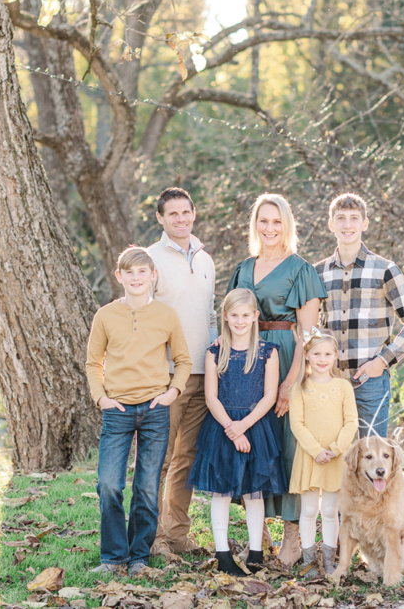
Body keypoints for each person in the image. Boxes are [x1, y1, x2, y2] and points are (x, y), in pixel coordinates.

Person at [227, 193, 327, 566]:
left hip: (286, 356)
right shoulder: (243, 268)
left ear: (287, 225)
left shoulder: (301, 269)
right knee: (250, 440)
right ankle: (258, 528)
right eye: (263, 221)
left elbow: (310, 333)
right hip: (249, 358)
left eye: (277, 222)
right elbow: (231, 317)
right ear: (255, 225)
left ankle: (291, 532)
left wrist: (290, 382)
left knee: (287, 446)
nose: (270, 229)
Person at [85, 247, 193, 577]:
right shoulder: (105, 315)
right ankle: (113, 556)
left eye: (142, 272)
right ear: (119, 276)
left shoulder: (166, 315)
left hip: (155, 409)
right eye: (129, 272)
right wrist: (101, 398)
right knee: (109, 485)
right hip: (117, 410)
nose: (136, 278)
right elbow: (93, 363)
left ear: (152, 275)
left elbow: (184, 360)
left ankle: (138, 557)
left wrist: (172, 393)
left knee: (146, 487)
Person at [187, 289, 287, 576]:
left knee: (254, 492)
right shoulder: (215, 352)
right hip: (221, 427)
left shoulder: (269, 352)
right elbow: (211, 398)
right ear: (226, 317)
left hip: (256, 427)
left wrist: (244, 426)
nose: (240, 321)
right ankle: (223, 555)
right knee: (221, 491)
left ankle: (256, 552)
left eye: (246, 315)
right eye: (234, 316)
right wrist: (232, 429)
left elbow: (269, 396)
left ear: (256, 316)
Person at [313, 193, 404, 438]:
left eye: (354, 218)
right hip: (329, 380)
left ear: (365, 223)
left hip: (370, 382)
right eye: (340, 218)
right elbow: (313, 326)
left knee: (371, 456)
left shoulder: (384, 269)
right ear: (331, 224)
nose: (347, 225)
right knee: (334, 459)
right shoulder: (318, 272)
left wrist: (382, 361)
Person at [148, 188, 218, 556]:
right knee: (157, 459)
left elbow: (209, 315)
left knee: (186, 458)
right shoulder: (150, 259)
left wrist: (217, 357)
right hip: (166, 376)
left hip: (202, 374)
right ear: (160, 218)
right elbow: (140, 319)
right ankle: (152, 537)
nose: (180, 219)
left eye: (185, 212)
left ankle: (176, 535)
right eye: (172, 214)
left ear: (194, 213)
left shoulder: (205, 259)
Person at [288, 328, 359, 578]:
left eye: (328, 354)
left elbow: (351, 422)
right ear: (307, 355)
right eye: (316, 353)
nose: (322, 359)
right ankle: (309, 562)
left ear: (335, 356)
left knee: (330, 511)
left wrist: (335, 449)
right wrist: (317, 451)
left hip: (335, 459)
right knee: (308, 512)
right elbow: (297, 424)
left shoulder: (342, 387)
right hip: (310, 457)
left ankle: (329, 562)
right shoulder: (299, 388)